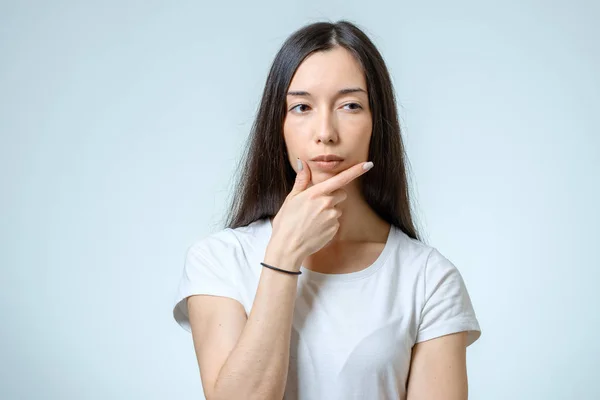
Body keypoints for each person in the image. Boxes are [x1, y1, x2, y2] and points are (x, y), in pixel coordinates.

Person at [172, 20, 481, 400]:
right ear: (278, 125)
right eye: (301, 106)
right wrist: (284, 255)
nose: (325, 132)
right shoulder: (219, 260)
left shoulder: (429, 278)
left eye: (350, 105)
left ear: (377, 125)